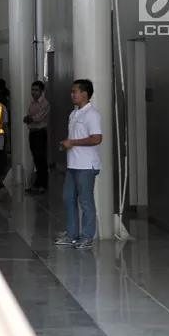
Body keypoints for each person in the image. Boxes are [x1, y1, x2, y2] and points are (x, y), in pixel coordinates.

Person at [55, 79, 103, 250]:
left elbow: (97, 139)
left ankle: (87, 236)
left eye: (75, 91)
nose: (72, 94)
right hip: (73, 164)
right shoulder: (74, 114)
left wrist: (73, 143)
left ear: (85, 93)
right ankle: (72, 234)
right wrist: (66, 144)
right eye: (72, 91)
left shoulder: (92, 115)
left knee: (85, 201)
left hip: (86, 165)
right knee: (68, 199)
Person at [23, 81, 50, 194]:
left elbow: (37, 118)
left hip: (40, 133)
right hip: (33, 133)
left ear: (41, 91)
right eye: (32, 89)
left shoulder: (45, 103)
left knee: (41, 159)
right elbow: (29, 117)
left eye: (36, 90)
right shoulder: (32, 103)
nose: (33, 92)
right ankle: (38, 184)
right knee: (36, 158)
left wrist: (30, 119)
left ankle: (42, 185)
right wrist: (29, 118)